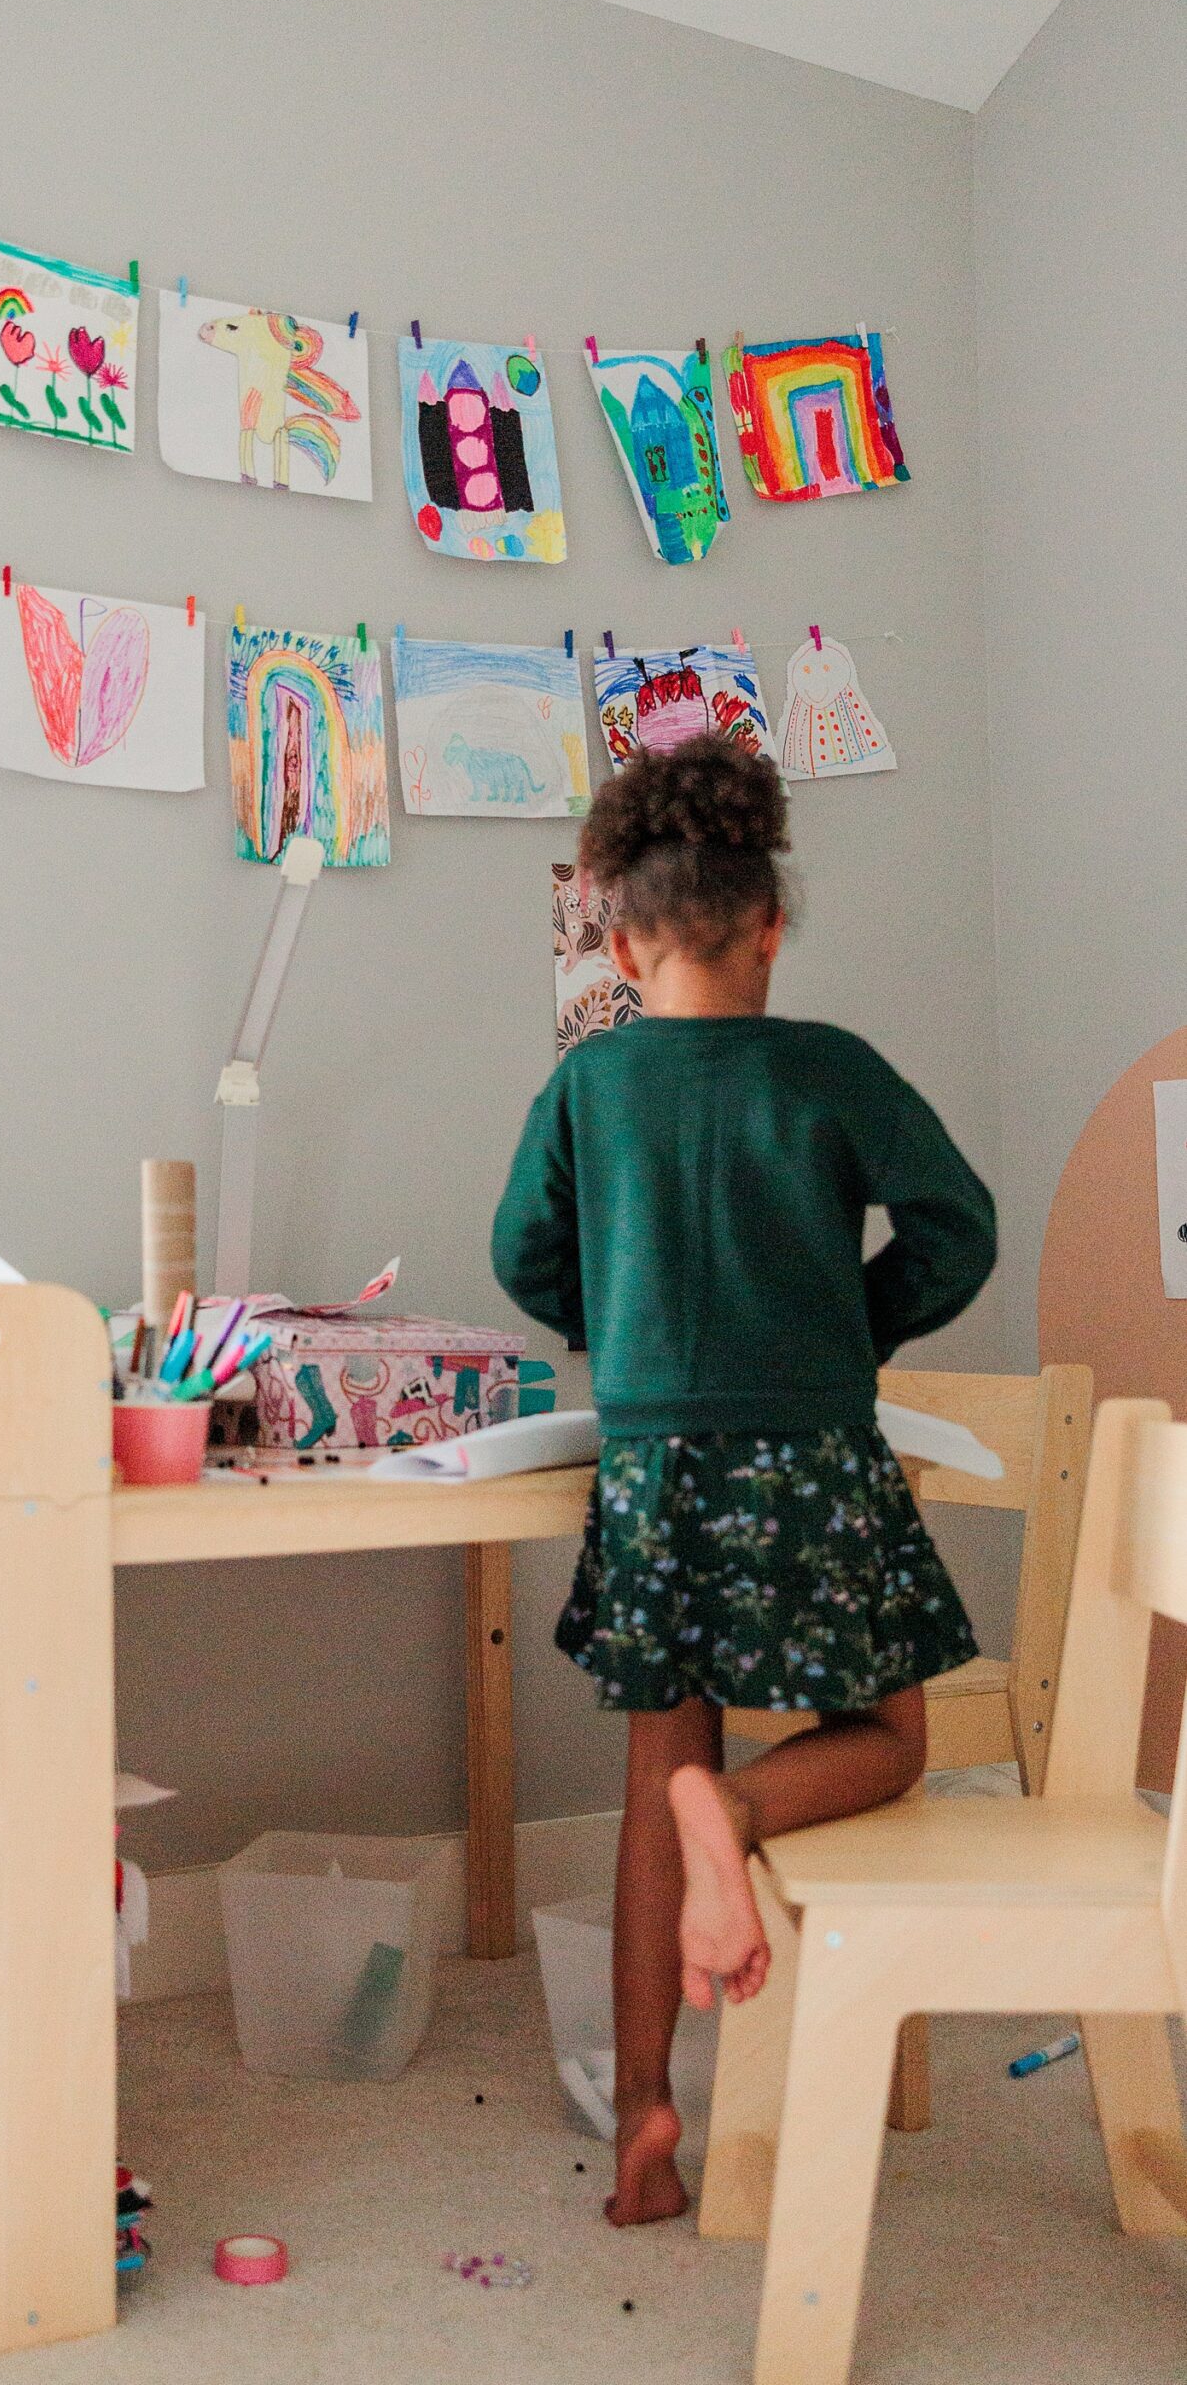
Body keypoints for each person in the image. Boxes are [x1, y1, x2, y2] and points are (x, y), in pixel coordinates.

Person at [492, 738, 995, 2229]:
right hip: (811, 1458)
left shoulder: (587, 1084)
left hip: (656, 1469)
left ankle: (646, 2116)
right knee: (888, 1738)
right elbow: (953, 1227)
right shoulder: (829, 1068)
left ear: (621, 932)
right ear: (768, 917)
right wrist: (852, 1324)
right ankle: (751, 1812)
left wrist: (628, 1335)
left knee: (656, 1775)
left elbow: (525, 1255)